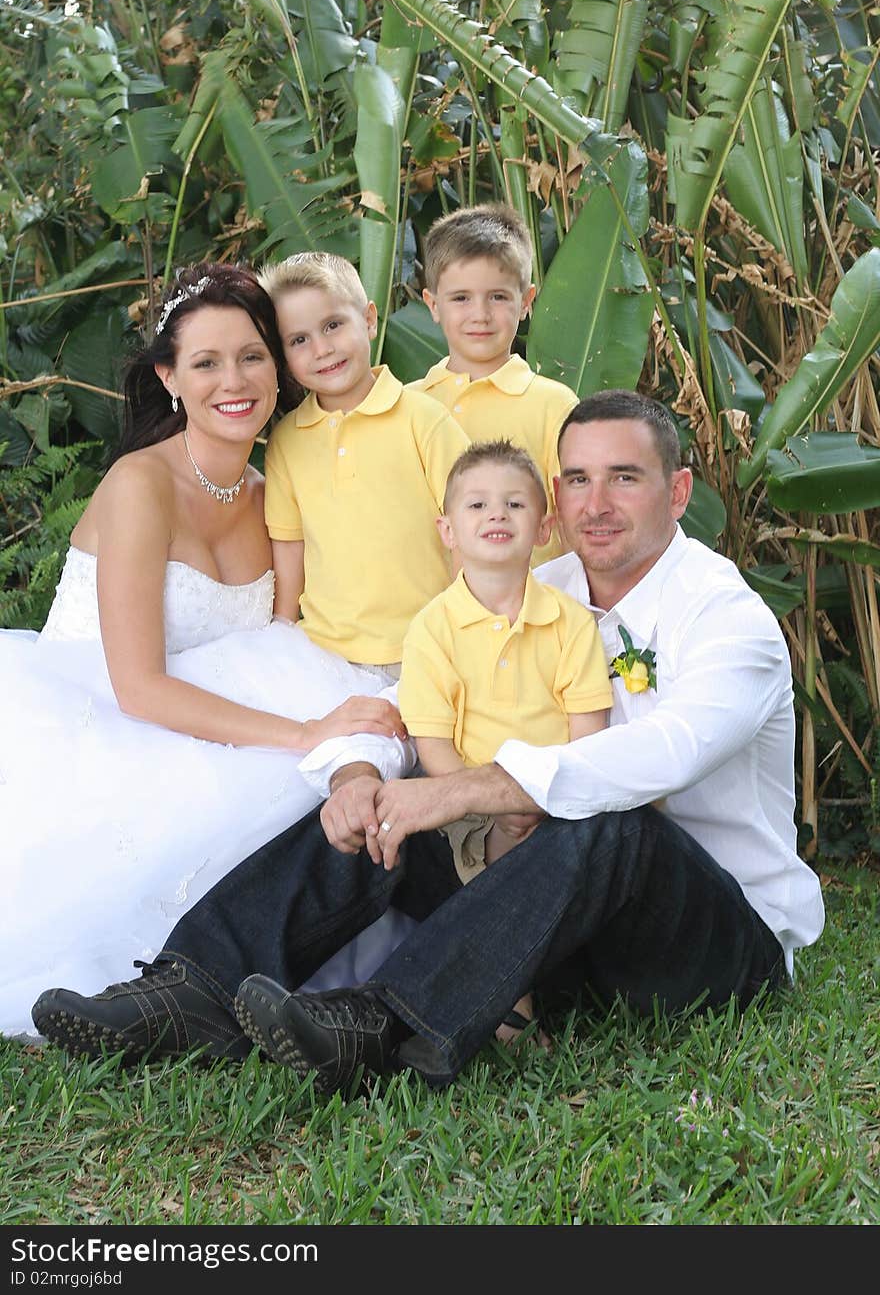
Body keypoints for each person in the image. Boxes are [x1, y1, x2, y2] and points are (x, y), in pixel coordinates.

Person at [33, 391, 825, 1089]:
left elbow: (660, 759)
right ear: (556, 495)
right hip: (549, 922)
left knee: (613, 822)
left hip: (709, 936)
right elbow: (406, 699)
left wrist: (458, 790)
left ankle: (382, 1025)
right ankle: (193, 988)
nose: (598, 502)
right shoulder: (538, 589)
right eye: (578, 479)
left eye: (626, 477)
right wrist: (357, 775)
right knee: (383, 808)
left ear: (678, 490)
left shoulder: (729, 621)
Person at [0, 263, 407, 1042]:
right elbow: (140, 688)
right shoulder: (138, 486)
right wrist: (301, 732)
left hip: (217, 713)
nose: (236, 380)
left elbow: (295, 631)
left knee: (339, 775)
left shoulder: (273, 490)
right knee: (287, 769)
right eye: (207, 362)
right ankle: (167, 993)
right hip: (102, 716)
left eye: (252, 356)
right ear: (170, 378)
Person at [398, 438, 612, 1038]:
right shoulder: (433, 630)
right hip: (465, 806)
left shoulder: (571, 624)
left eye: (515, 505)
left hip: (557, 797)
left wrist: (542, 797)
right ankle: (512, 1009)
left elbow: (587, 737)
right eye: (477, 506)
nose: (497, 515)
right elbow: (433, 745)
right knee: (502, 848)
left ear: (544, 528)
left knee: (551, 843)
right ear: (447, 530)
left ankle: (514, 997)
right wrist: (489, 803)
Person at [258, 252, 470, 673]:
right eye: (299, 340)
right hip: (324, 655)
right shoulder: (285, 442)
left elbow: (469, 528)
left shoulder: (423, 419)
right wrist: (281, 636)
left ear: (369, 319)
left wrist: (465, 628)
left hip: (424, 648)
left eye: (333, 325)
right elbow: (291, 549)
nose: (322, 349)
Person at [412, 203, 578, 566]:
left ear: (526, 302)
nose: (480, 314)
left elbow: (572, 524)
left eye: (498, 296)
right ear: (433, 304)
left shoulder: (554, 405)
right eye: (461, 298)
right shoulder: (409, 404)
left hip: (525, 612)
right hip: (428, 617)